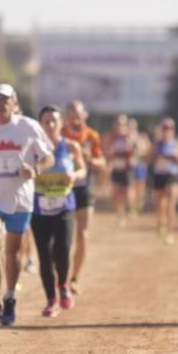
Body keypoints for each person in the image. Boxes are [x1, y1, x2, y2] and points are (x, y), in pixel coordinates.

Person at [0, 83, 55, 326]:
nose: (0, 103)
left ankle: (10, 297)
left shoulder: (28, 126)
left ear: (14, 102)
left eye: (5, 99)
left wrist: (35, 169)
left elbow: (49, 156)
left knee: (13, 250)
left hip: (20, 197)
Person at [32, 105, 86, 316]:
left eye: (55, 121)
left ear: (61, 123)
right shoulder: (33, 149)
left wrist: (75, 176)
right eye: (46, 122)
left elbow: (82, 170)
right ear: (40, 125)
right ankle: (51, 300)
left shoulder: (71, 147)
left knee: (62, 251)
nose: (51, 125)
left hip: (65, 207)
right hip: (39, 210)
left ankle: (63, 285)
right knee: (44, 256)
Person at [61, 100, 106, 295]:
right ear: (67, 116)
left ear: (84, 115)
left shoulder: (92, 136)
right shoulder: (59, 134)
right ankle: (61, 276)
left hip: (85, 188)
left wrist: (90, 160)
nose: (75, 117)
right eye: (71, 113)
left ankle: (75, 278)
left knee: (82, 234)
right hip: (62, 189)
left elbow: (101, 162)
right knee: (64, 237)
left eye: (78, 114)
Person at [149, 117, 178, 245]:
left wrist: (175, 157)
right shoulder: (156, 144)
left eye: (169, 128)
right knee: (160, 205)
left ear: (173, 130)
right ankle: (161, 223)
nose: (167, 130)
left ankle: (171, 233)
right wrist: (156, 156)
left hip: (173, 175)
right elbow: (149, 159)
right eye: (164, 128)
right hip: (159, 175)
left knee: (171, 204)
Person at [104, 114, 138, 228]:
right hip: (116, 168)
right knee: (117, 194)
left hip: (127, 169)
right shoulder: (112, 137)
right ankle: (120, 215)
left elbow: (138, 150)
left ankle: (131, 207)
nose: (119, 125)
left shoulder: (130, 136)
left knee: (127, 192)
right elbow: (107, 152)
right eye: (118, 123)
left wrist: (133, 155)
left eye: (122, 123)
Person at [128, 117, 150, 215]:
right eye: (129, 125)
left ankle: (139, 201)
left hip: (140, 165)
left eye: (133, 125)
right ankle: (132, 208)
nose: (131, 127)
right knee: (131, 187)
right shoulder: (125, 138)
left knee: (140, 186)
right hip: (130, 166)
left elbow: (148, 150)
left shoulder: (141, 137)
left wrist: (138, 150)